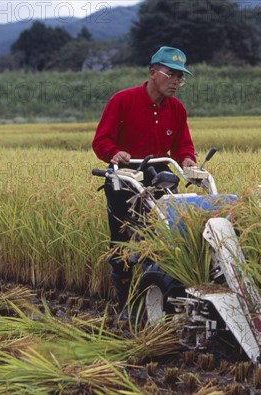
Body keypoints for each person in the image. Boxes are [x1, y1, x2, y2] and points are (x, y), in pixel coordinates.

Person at [92, 46, 197, 315]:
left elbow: (183, 145)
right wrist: (115, 153)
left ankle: (157, 297)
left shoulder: (177, 109)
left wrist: (187, 160)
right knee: (123, 244)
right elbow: (101, 141)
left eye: (180, 77)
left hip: (161, 178)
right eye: (171, 74)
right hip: (125, 179)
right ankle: (126, 303)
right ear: (153, 72)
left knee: (165, 240)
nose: (176, 82)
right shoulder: (122, 101)